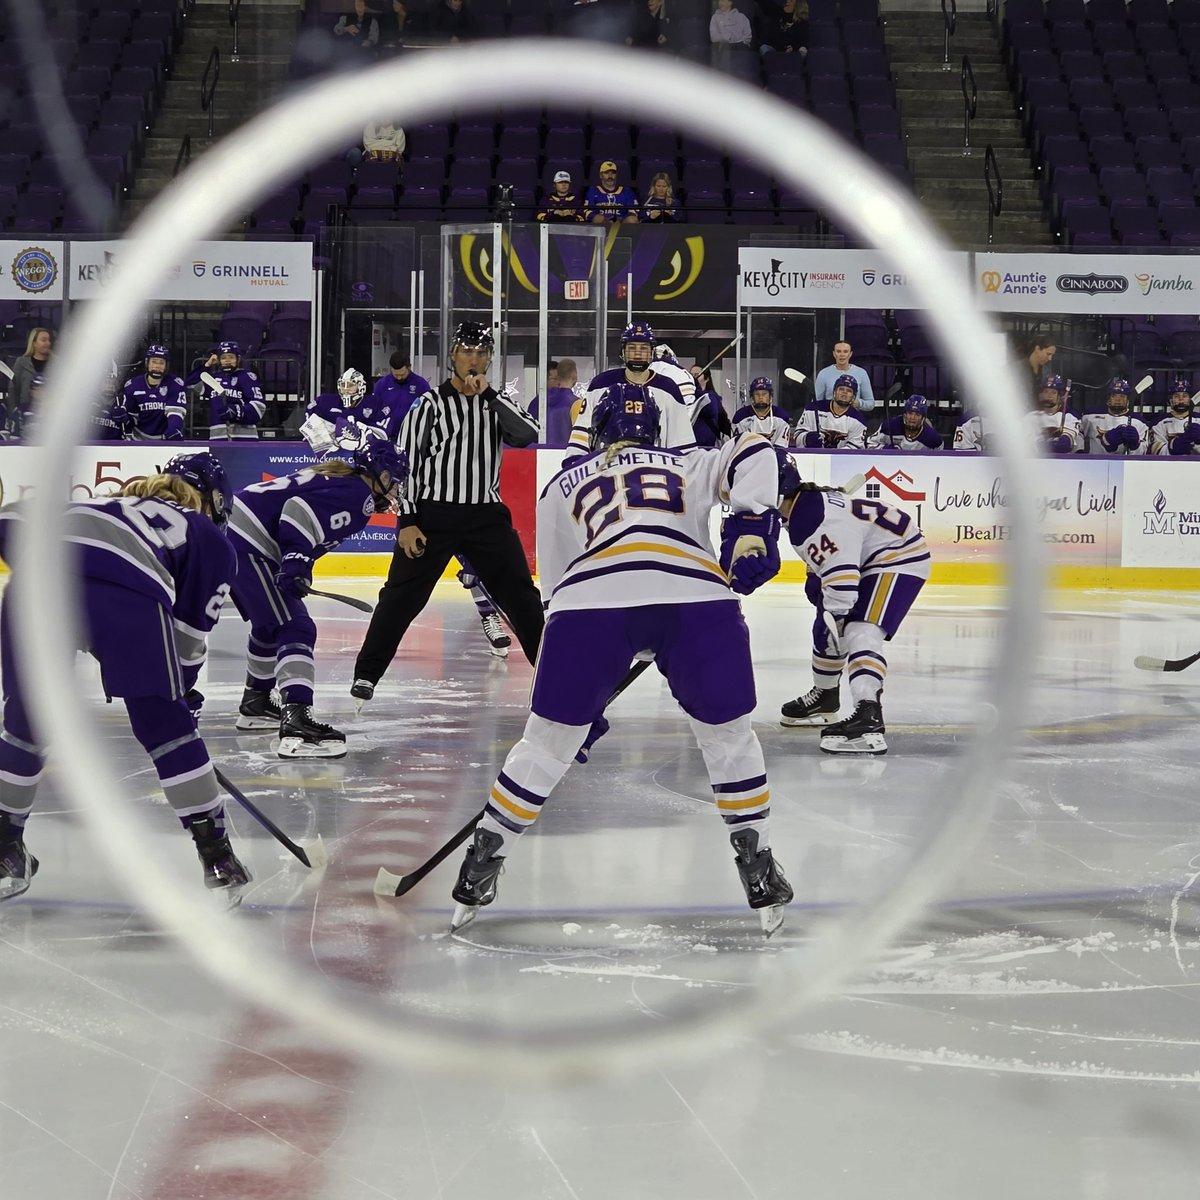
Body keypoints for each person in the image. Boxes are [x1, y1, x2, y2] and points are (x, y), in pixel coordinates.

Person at [447, 385, 793, 935]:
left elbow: (558, 589)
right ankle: (758, 865)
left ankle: (481, 861)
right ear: (658, 429)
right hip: (694, 597)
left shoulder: (561, 484)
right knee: (729, 738)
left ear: (596, 432)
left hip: (591, 602)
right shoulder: (690, 460)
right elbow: (756, 447)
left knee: (545, 745)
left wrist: (580, 697)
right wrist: (752, 527)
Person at [0, 452, 250, 901]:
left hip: (34, 585)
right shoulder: (207, 534)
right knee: (165, 729)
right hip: (126, 593)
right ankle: (218, 860)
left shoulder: (95, 501)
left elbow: (11, 521)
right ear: (214, 502)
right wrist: (179, 695)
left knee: (26, 719)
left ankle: (4, 852)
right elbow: (187, 641)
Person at [350, 322, 544, 705]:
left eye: (481, 353)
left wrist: (490, 395)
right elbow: (405, 463)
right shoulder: (429, 404)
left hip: (486, 515)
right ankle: (366, 674)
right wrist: (407, 520)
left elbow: (527, 434)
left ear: (489, 359)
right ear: (453, 355)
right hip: (433, 515)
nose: (474, 359)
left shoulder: (497, 403)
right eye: (467, 351)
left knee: (521, 597)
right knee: (401, 597)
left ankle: (556, 677)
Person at [228, 440, 408, 757]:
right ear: (380, 474)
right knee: (295, 627)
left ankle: (256, 702)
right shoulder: (358, 496)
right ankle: (297, 718)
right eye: (394, 481)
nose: (395, 490)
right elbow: (298, 511)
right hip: (247, 542)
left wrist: (294, 562)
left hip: (235, 534)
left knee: (269, 623)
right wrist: (296, 561)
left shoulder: (344, 480)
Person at [778, 455, 930, 755]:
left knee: (860, 630)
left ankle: (868, 715)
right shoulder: (804, 507)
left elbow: (843, 588)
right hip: (870, 554)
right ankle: (826, 696)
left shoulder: (814, 519)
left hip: (898, 557)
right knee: (826, 627)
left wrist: (835, 613)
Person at [567, 321, 697, 455]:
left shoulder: (669, 389)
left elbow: (684, 446)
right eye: (632, 348)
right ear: (623, 351)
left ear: (652, 352)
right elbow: (581, 436)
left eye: (644, 349)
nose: (638, 354)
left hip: (654, 465)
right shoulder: (600, 384)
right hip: (607, 464)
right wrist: (573, 459)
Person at [187, 341, 266, 440]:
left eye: (231, 357)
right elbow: (191, 384)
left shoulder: (247, 377)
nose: (227, 360)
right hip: (217, 438)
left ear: (238, 359)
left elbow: (259, 407)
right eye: (223, 358)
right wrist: (207, 365)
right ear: (218, 360)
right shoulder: (214, 379)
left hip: (244, 438)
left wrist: (237, 411)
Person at [123, 343, 187, 441]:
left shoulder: (175, 384)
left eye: (161, 363)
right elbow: (131, 418)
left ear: (166, 366)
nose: (157, 366)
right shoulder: (133, 385)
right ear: (147, 363)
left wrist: (174, 429)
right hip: (138, 441)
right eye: (154, 362)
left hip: (165, 439)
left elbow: (175, 413)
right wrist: (124, 418)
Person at [794, 375, 868, 449]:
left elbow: (855, 449)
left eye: (849, 391)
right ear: (834, 392)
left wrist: (833, 454)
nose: (844, 392)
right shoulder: (812, 409)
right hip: (812, 455)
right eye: (841, 389)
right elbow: (797, 436)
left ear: (853, 396)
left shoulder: (859, 420)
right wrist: (807, 439)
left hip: (841, 457)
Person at [1080, 377, 1149, 455]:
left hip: (1124, 462)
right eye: (1114, 396)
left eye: (1122, 396)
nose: (1117, 399)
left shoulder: (1139, 422)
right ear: (1108, 399)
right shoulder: (1090, 416)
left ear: (1127, 400)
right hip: (1095, 461)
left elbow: (1143, 453)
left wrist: (1136, 445)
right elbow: (1077, 439)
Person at [6, 327, 51, 437]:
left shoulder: (57, 363)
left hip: (50, 416)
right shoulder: (21, 362)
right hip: (24, 416)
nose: (48, 343)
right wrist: (14, 412)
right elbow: (13, 389)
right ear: (34, 343)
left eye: (49, 340)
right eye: (43, 340)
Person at [813, 341, 876, 412]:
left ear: (850, 354)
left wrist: (858, 403)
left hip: (853, 417)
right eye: (838, 351)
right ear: (834, 354)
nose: (842, 355)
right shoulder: (823, 373)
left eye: (845, 351)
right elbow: (816, 402)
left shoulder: (861, 373)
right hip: (828, 416)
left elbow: (871, 404)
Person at [529, 356, 578, 446]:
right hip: (568, 451)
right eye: (554, 379)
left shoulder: (538, 402)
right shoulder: (576, 403)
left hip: (542, 451)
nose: (557, 382)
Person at [867, 394, 944, 451]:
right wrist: (885, 450)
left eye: (917, 415)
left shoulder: (933, 440)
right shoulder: (890, 426)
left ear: (923, 418)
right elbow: (869, 444)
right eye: (910, 413)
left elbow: (939, 461)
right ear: (904, 414)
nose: (912, 418)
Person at [1027, 374, 1081, 454]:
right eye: (1046, 392)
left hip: (1063, 460)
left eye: (1053, 392)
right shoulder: (1030, 417)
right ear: (1041, 394)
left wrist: (1044, 445)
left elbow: (1065, 445)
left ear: (1060, 396)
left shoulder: (1069, 416)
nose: (1049, 396)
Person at [371, 350, 430, 419]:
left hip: (412, 425)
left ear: (409, 368)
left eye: (402, 374)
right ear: (391, 368)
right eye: (396, 375)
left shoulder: (421, 385)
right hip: (387, 425)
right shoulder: (381, 385)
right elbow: (374, 409)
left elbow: (429, 409)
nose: (399, 378)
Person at [732, 375, 790, 445]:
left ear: (770, 395)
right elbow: (737, 446)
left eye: (764, 394)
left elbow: (781, 447)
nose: (761, 397)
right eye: (757, 394)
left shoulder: (781, 416)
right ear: (752, 397)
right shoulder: (740, 416)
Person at [1150, 377, 1200, 455]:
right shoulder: (1159, 422)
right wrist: (1173, 446)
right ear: (1170, 400)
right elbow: (1155, 451)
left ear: (1190, 399)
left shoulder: (1198, 419)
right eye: (1176, 396)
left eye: (1185, 396)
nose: (1181, 399)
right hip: (1170, 462)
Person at [586, 161, 639, 225]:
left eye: (613, 173)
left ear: (616, 175)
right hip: (601, 225)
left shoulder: (626, 191)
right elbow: (588, 211)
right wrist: (605, 219)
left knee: (632, 219)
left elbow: (633, 211)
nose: (610, 176)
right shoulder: (594, 190)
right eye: (606, 173)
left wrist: (620, 219)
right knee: (598, 218)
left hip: (622, 224)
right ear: (601, 175)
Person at [691, 364, 732, 447]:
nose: (693, 378)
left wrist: (697, 388)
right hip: (691, 445)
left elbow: (710, 409)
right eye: (691, 375)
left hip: (706, 446)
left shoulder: (712, 397)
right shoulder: (688, 397)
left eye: (697, 375)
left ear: (706, 378)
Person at [1018, 333, 1056, 405]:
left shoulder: (1046, 370)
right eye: (1048, 354)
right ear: (1037, 349)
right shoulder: (1018, 369)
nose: (1050, 358)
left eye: (1052, 355)